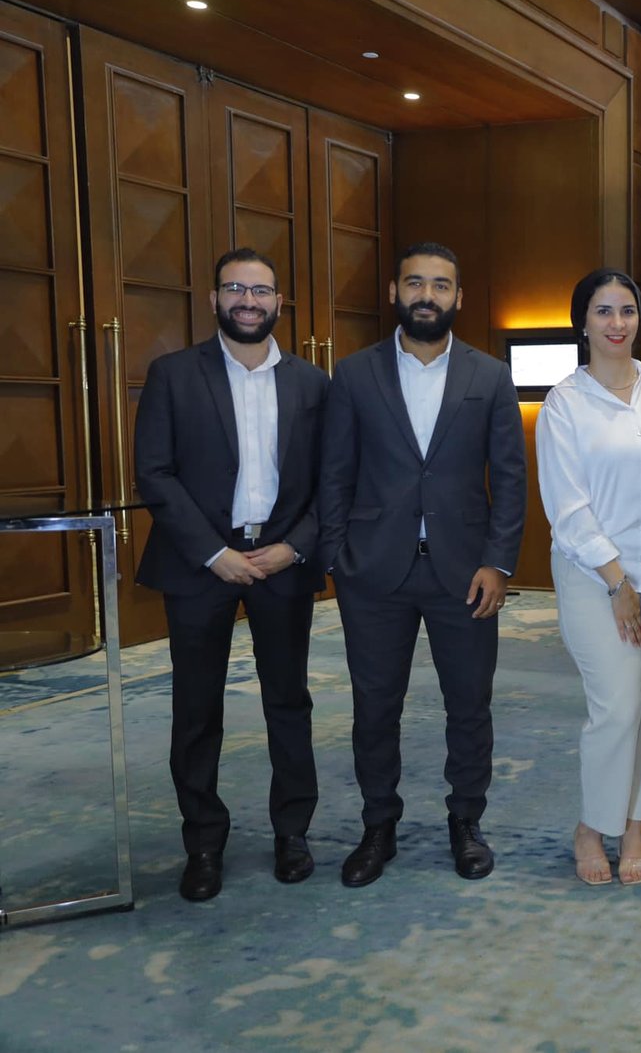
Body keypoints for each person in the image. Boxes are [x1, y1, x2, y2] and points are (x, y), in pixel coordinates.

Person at [319, 241, 527, 887]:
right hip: (373, 572)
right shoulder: (354, 375)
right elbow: (334, 474)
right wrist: (338, 557)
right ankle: (377, 824)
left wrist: (499, 563)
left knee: (469, 704)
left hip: (466, 573)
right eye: (415, 282)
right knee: (375, 706)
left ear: (458, 296)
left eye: (440, 284)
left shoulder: (488, 376)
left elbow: (510, 479)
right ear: (395, 292)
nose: (427, 295)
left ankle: (466, 820)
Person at [134, 248, 328, 901]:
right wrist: (213, 553)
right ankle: (203, 843)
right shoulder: (173, 374)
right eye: (236, 289)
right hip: (200, 565)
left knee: (288, 702)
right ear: (215, 298)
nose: (249, 301)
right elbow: (154, 472)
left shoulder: (312, 384)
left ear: (279, 303)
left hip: (281, 563)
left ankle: (292, 832)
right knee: (196, 708)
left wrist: (294, 547)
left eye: (261, 290)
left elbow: (331, 481)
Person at [536, 269, 641, 887]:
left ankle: (637, 824)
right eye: (603, 311)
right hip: (595, 578)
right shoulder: (564, 404)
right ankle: (593, 826)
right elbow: (568, 509)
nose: (617, 323)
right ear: (583, 323)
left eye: (627, 310)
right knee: (618, 706)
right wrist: (618, 583)